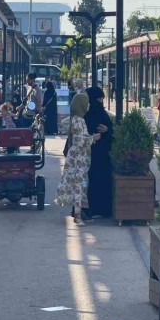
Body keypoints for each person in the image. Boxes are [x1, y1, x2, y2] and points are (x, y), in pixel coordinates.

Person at [55, 93, 101, 225]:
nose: (88, 105)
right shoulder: (78, 120)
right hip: (78, 158)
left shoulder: (78, 119)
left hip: (79, 157)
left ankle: (78, 214)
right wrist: (93, 138)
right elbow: (79, 140)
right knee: (79, 185)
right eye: (86, 102)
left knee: (80, 185)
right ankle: (77, 216)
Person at [84, 86, 113, 218]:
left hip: (97, 152)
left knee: (95, 180)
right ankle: (100, 209)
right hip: (98, 153)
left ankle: (94, 209)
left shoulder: (89, 113)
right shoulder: (93, 114)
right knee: (98, 180)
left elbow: (109, 131)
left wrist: (107, 131)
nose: (100, 101)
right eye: (99, 99)